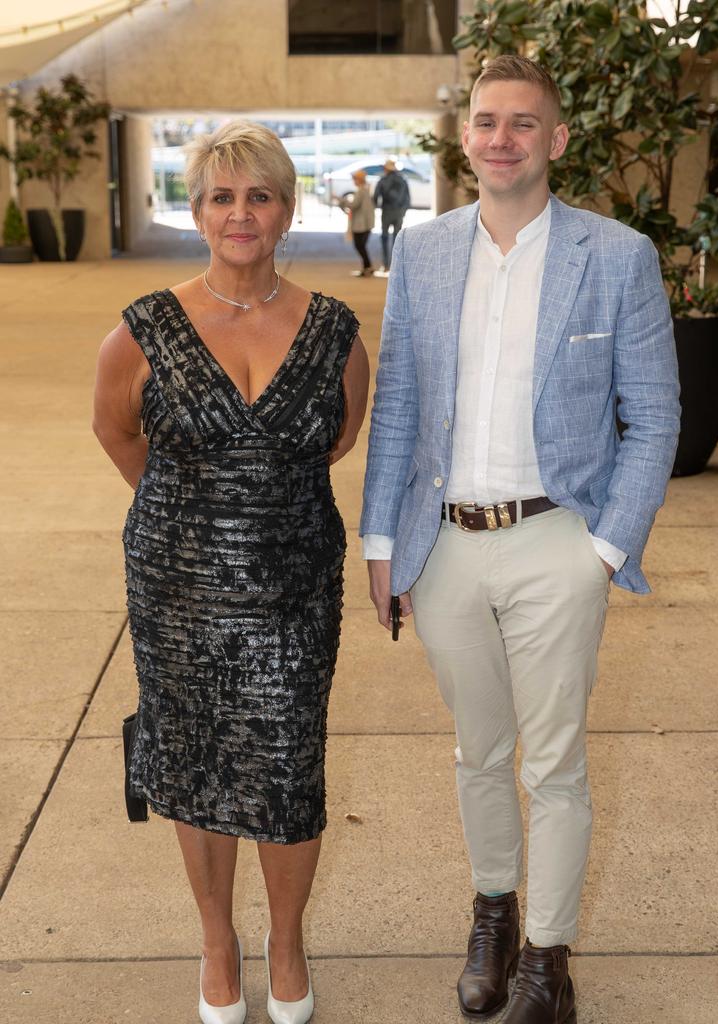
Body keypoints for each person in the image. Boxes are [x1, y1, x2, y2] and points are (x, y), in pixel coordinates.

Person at [361, 55, 679, 1024]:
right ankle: (492, 916)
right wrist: (382, 542)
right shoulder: (426, 251)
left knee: (554, 763)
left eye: (523, 123)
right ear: (466, 139)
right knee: (478, 751)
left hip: (558, 540)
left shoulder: (616, 255)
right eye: (488, 122)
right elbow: (403, 404)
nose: (503, 138)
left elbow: (656, 414)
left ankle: (548, 957)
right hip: (447, 543)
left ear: (557, 139)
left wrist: (605, 549)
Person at [93, 120, 369, 1024]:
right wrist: (195, 517)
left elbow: (336, 439)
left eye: (260, 195)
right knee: (193, 763)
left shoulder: (333, 330)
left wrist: (252, 512)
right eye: (221, 196)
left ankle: (286, 943)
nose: (240, 213)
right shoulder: (142, 330)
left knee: (289, 766)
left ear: (288, 210)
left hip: (294, 588)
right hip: (177, 590)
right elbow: (117, 434)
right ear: (198, 211)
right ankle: (219, 943)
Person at [372, 159, 411, 274]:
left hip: (387, 211)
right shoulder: (403, 180)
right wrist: (404, 210)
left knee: (384, 237)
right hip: (399, 212)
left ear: (386, 169)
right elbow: (408, 198)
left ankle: (386, 264)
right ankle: (396, 265)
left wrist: (375, 207)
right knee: (397, 238)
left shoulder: (382, 180)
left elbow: (375, 197)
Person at [341, 169, 375, 276]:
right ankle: (367, 267)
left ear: (358, 180)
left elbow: (354, 205)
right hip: (366, 223)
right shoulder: (365, 189)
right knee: (361, 246)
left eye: (354, 179)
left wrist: (343, 200)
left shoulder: (361, 191)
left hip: (360, 224)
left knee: (359, 245)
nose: (353, 181)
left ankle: (368, 266)